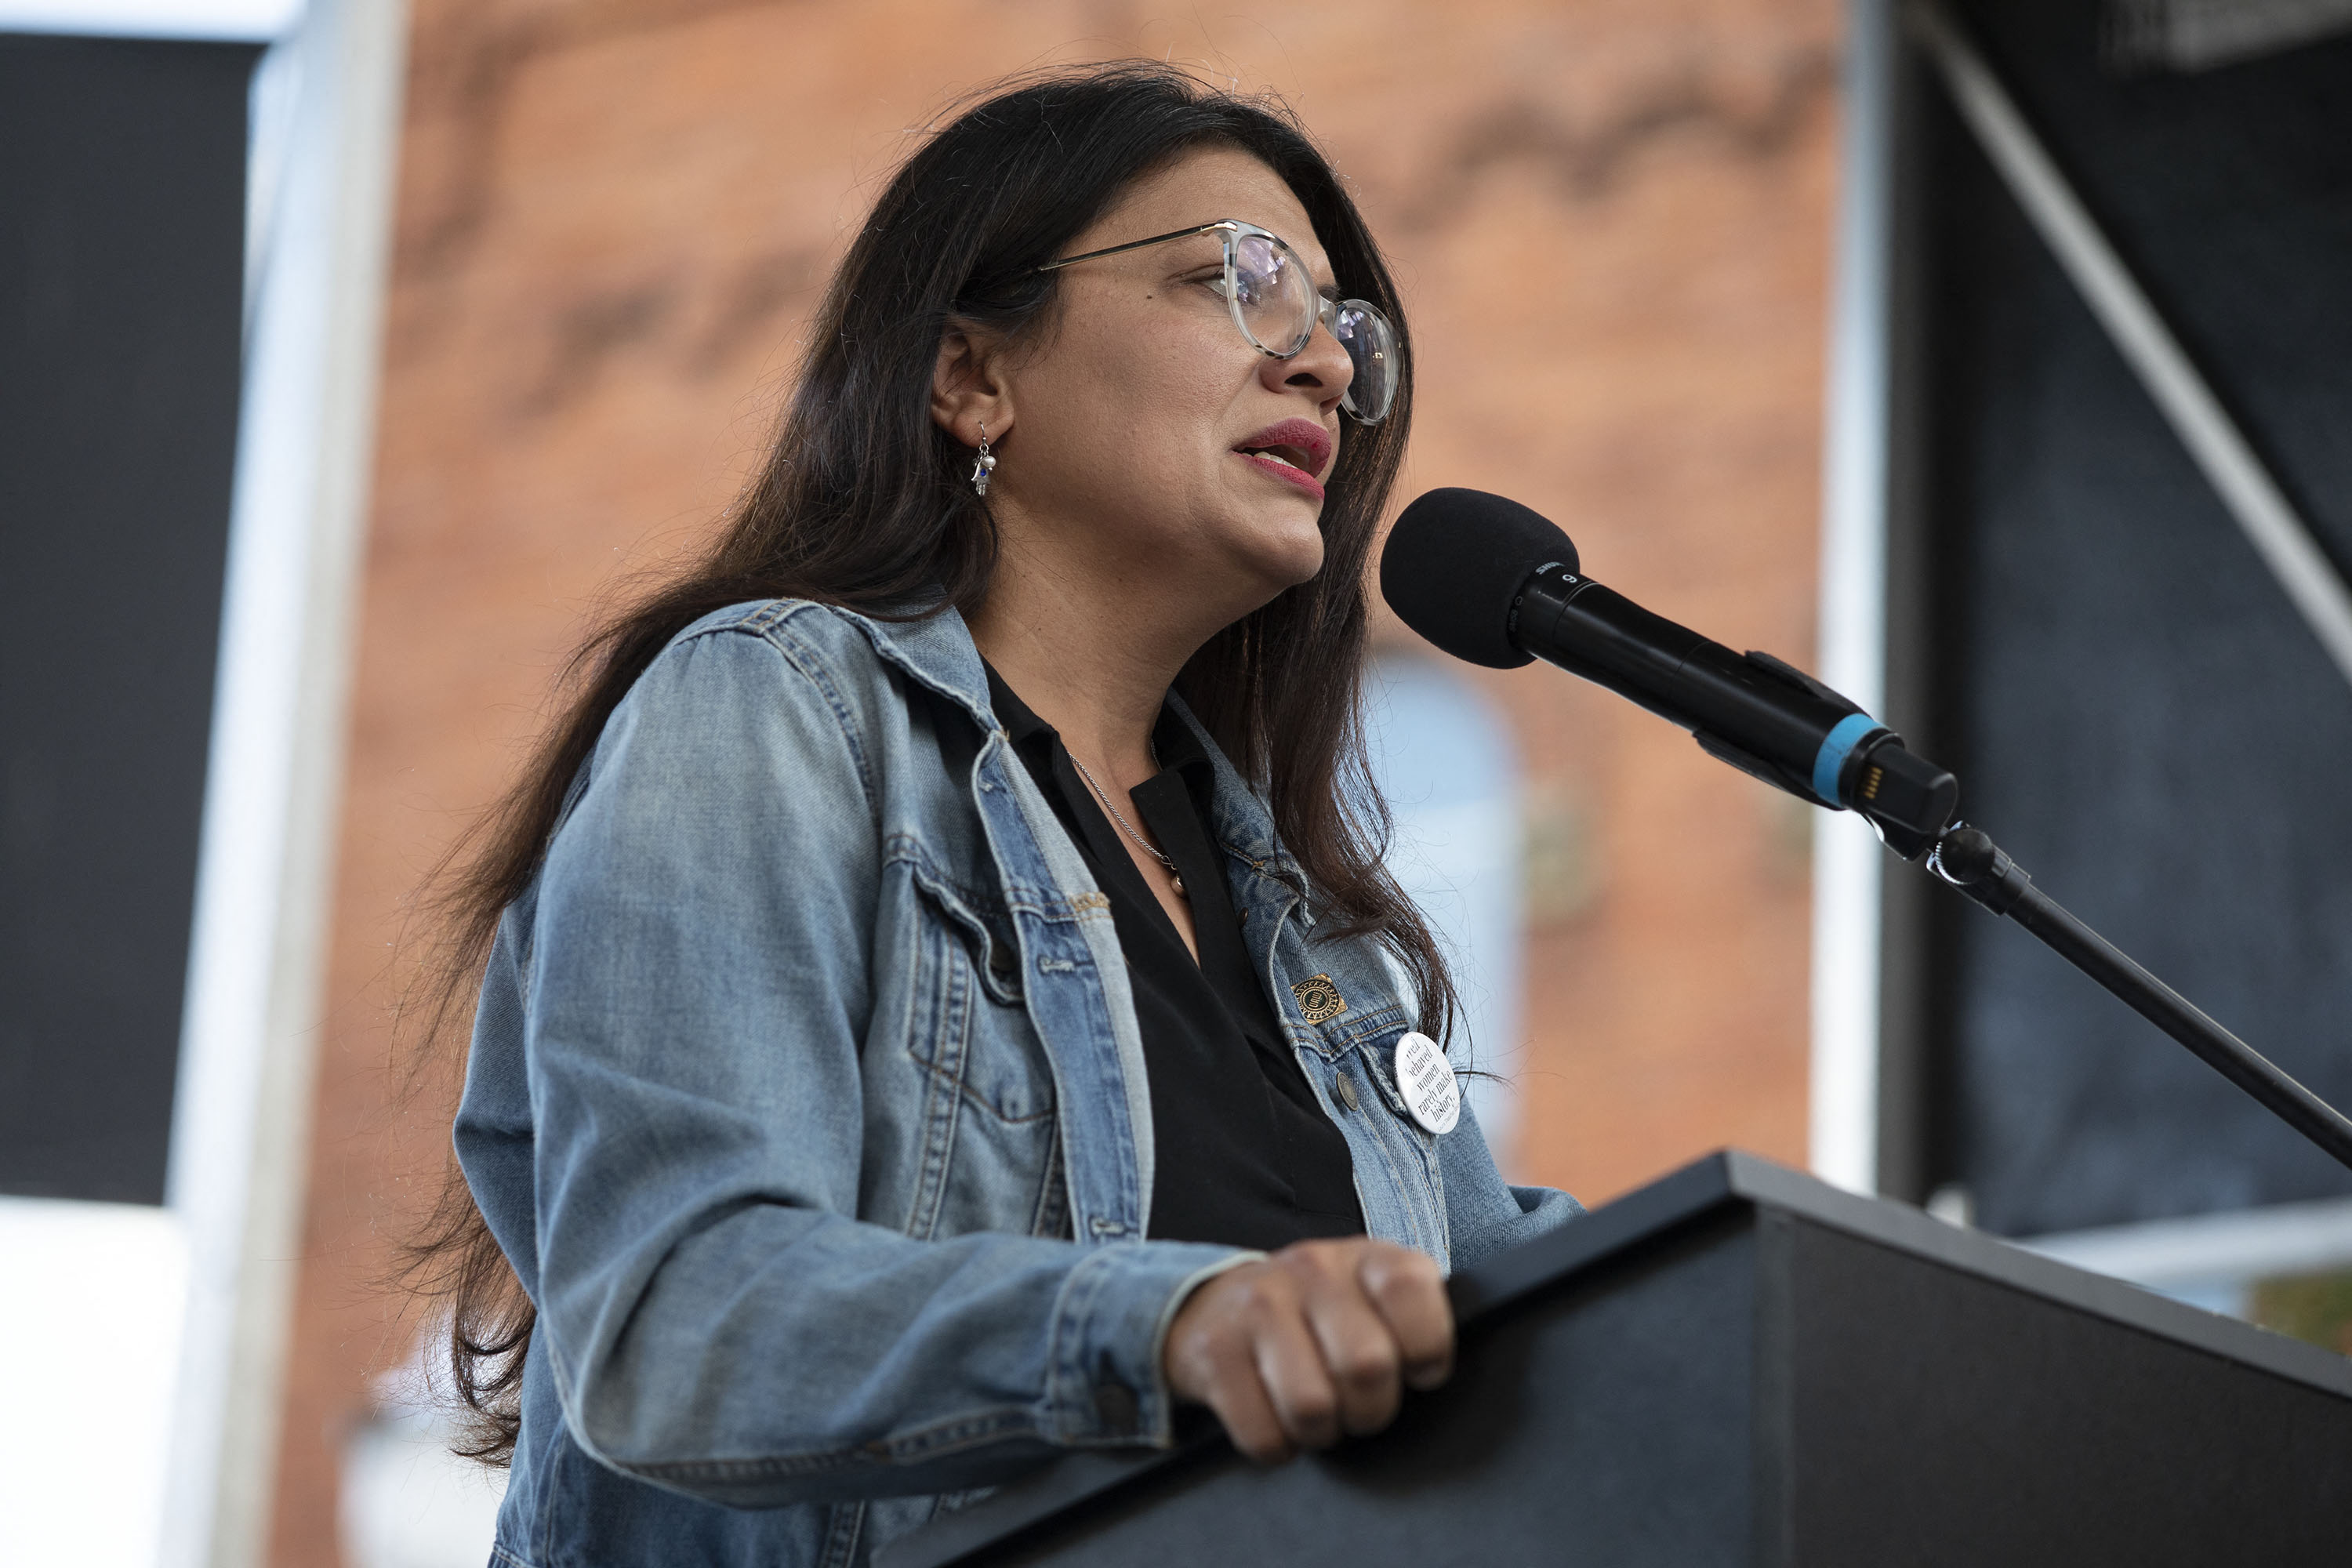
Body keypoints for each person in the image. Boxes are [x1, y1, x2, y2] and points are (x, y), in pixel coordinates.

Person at [412, 61, 1580, 1568]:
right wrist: (1178, 1325)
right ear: (974, 374)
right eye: (1239, 278)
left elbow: (1555, 1344)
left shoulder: (1330, 950)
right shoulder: (773, 709)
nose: (1328, 370)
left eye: (1348, 333)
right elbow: (678, 1313)